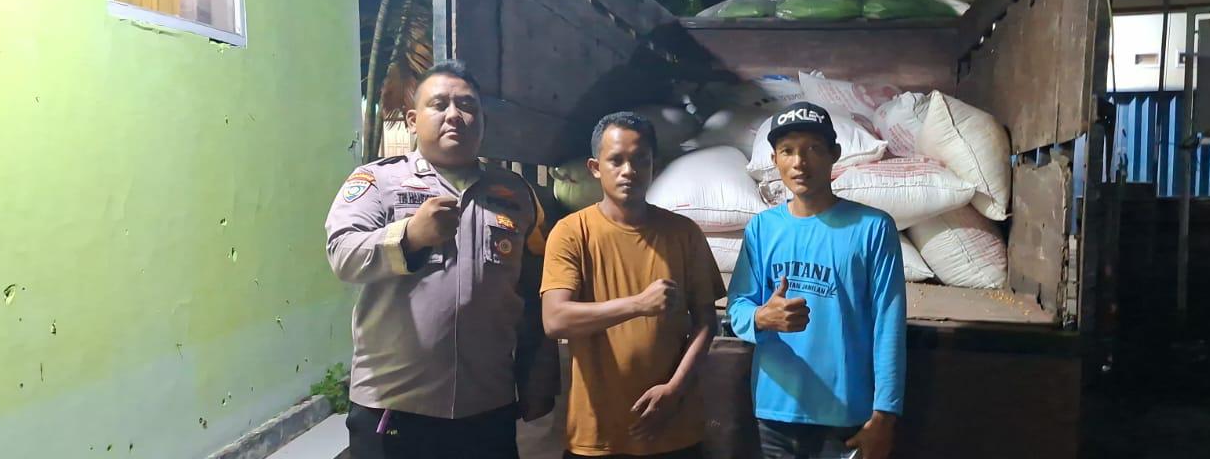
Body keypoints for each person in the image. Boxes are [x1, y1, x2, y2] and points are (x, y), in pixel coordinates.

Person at [325, 60, 558, 459]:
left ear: (482, 121)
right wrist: (409, 237)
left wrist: (538, 371)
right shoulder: (378, 182)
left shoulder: (515, 194)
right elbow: (343, 254)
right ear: (413, 121)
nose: (454, 114)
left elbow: (535, 291)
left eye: (467, 105)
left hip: (487, 405)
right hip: (395, 404)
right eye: (439, 104)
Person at [727, 101, 906, 459]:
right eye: (787, 151)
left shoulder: (873, 228)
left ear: (834, 154)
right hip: (775, 412)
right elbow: (737, 307)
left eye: (813, 149)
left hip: (846, 415)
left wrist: (885, 416)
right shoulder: (762, 229)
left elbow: (889, 325)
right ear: (775, 160)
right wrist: (761, 317)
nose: (799, 162)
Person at [541, 112, 725, 459]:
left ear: (655, 165)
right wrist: (637, 305)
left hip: (674, 427)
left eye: (641, 159)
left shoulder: (683, 233)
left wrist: (675, 389)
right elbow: (555, 320)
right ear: (595, 167)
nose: (629, 170)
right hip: (599, 432)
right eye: (616, 160)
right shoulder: (572, 232)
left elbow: (705, 322)